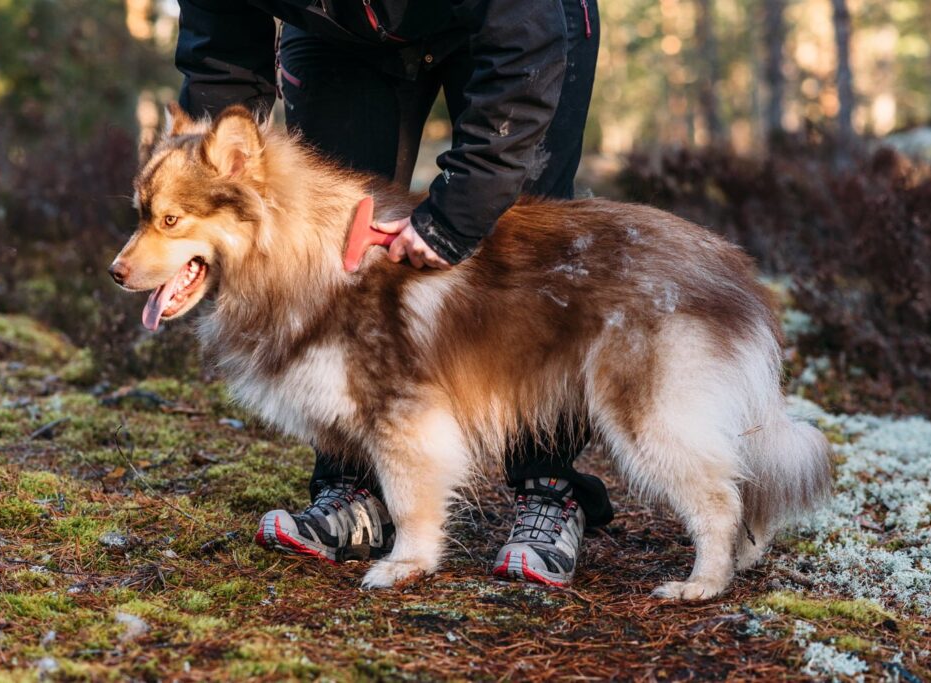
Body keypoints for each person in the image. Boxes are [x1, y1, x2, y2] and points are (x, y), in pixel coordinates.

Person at [175, 0, 612, 586]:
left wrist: (455, 217)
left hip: (516, 28)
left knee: (525, 249)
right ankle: (353, 488)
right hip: (343, 39)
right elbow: (220, 50)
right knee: (332, 244)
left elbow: (523, 42)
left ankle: (548, 487)